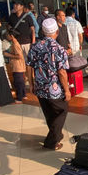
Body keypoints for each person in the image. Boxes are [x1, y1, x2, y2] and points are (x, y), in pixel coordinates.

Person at [27, 18, 71, 151]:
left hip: (40, 87)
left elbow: (29, 66)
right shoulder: (59, 49)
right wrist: (67, 90)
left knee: (49, 113)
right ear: (56, 32)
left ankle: (56, 134)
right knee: (62, 110)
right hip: (54, 89)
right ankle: (52, 142)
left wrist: (31, 83)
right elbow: (62, 72)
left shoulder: (35, 46)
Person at [7, 1, 35, 83]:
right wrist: (10, 30)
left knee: (29, 61)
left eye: (17, 4)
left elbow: (33, 30)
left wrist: (33, 41)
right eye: (14, 5)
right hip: (16, 43)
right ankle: (24, 78)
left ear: (22, 6)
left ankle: (31, 77)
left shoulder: (28, 17)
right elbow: (8, 25)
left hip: (27, 42)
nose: (15, 6)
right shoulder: (12, 16)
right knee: (19, 61)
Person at [2, 27, 26, 104]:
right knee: (21, 82)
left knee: (18, 82)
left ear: (11, 36)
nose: (6, 37)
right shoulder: (14, 43)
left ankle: (19, 98)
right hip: (19, 66)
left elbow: (19, 56)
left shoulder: (15, 44)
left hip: (17, 66)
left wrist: (7, 54)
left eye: (7, 35)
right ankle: (23, 95)